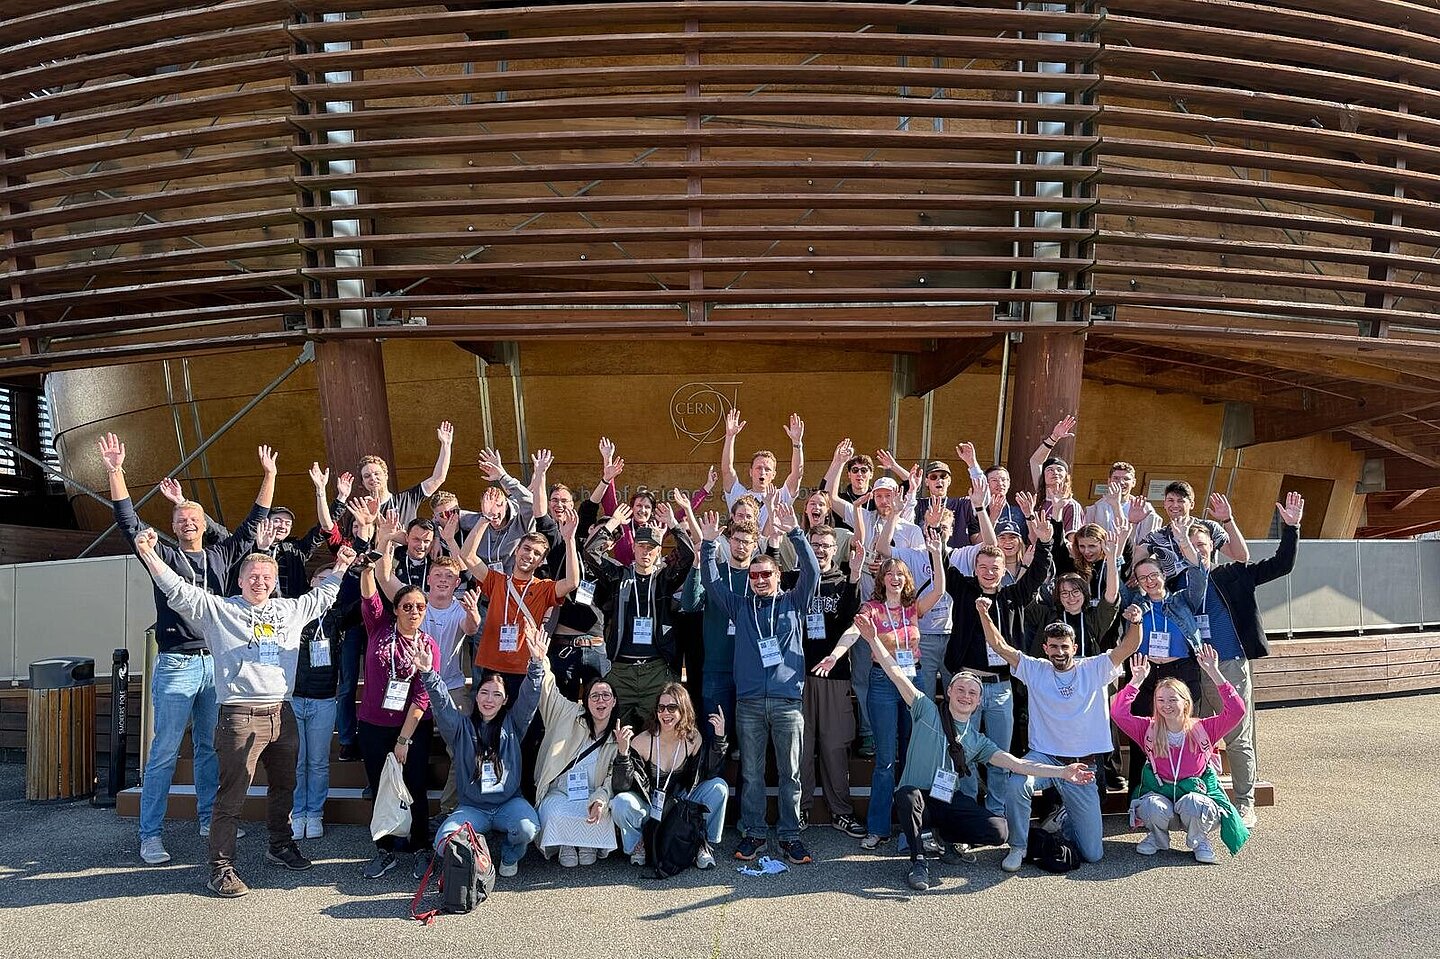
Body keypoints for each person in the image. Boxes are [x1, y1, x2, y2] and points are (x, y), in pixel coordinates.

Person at [132, 529, 355, 898]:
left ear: (274, 582)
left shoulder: (287, 610)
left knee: (284, 786)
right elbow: (179, 591)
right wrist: (150, 556)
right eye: (252, 576)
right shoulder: (221, 611)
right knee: (232, 794)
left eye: (266, 577)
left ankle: (280, 845)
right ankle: (220, 869)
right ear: (239, 580)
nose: (259, 582)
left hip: (281, 711)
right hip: (239, 714)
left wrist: (343, 566)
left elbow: (323, 596)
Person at [98, 432, 272, 867]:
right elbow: (128, 522)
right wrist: (116, 471)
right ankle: (150, 834)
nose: (187, 523)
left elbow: (254, 523)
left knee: (211, 748)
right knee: (164, 751)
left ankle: (207, 819)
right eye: (180, 519)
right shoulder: (164, 557)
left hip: (216, 665)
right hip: (176, 664)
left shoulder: (221, 557)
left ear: (204, 523)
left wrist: (269, 475)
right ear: (173, 527)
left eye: (193, 518)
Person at [860, 623, 1095, 891]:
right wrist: (873, 640)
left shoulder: (977, 740)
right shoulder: (926, 710)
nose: (966, 696)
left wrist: (1062, 772)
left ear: (979, 701)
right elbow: (895, 673)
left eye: (972, 693)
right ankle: (919, 862)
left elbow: (1017, 764)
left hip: (946, 799)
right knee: (907, 794)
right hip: (917, 800)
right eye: (960, 689)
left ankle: (947, 840)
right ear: (949, 691)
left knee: (998, 831)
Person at [977, 597, 1144, 872]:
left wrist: (1136, 622)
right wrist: (983, 612)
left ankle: (1066, 817)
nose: (1059, 652)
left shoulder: (1094, 667)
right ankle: (1018, 846)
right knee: (1017, 783)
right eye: (1053, 646)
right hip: (1044, 758)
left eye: (1064, 646)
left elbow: (1128, 646)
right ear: (1045, 648)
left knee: (1093, 854)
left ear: (1074, 648)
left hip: (1081, 766)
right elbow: (999, 645)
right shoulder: (1035, 668)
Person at [699, 501, 818, 865]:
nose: (760, 580)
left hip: (787, 702)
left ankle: (790, 835)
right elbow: (711, 583)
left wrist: (795, 533)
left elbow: (812, 571)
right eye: (754, 576)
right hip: (749, 702)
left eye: (766, 574)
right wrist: (708, 545)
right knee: (751, 773)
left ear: (778, 575)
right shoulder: (740, 606)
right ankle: (754, 833)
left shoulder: (794, 602)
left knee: (790, 774)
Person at [819, 533, 946, 849]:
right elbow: (852, 632)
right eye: (889, 574)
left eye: (900, 574)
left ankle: (910, 828)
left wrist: (936, 554)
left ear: (906, 579)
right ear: (882, 579)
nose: (895, 578)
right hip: (883, 683)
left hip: (913, 683)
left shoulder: (912, 608)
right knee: (886, 760)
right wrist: (835, 655)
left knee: (911, 756)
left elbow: (940, 590)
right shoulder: (872, 608)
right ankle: (878, 828)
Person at [1187, 491, 1304, 829]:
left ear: (1213, 547)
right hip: (1193, 668)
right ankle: (1200, 797)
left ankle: (1245, 801)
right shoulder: (1178, 582)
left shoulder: (1234, 574)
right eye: (1190, 546)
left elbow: (1281, 564)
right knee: (1196, 735)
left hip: (1230, 666)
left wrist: (1291, 528)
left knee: (1238, 735)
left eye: (1202, 544)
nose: (1197, 550)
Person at [942, 492, 1054, 815]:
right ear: (975, 569)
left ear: (1004, 569)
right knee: (963, 751)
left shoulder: (1012, 596)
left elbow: (1038, 573)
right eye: (983, 567)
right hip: (969, 684)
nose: (989, 572)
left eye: (995, 567)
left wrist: (1045, 543)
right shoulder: (964, 590)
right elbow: (943, 566)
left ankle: (996, 811)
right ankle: (967, 810)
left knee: (1000, 756)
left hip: (1002, 688)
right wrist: (938, 534)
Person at [418, 624, 544, 880]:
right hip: (472, 807)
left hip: (509, 803)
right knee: (443, 843)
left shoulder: (513, 724)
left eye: (496, 695)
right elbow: (442, 705)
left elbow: (530, 697)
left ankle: (509, 855)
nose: (489, 699)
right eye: (484, 693)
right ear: (476, 697)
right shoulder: (461, 728)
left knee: (527, 829)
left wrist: (536, 664)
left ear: (505, 700)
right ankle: (478, 857)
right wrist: (429, 673)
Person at [1112, 647, 1250, 863]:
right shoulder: (1148, 729)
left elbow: (1237, 711)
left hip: (1194, 801)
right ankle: (1158, 838)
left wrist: (1214, 673)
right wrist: (1136, 681)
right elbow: (1118, 713)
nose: (1166, 706)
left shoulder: (1203, 728)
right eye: (1160, 700)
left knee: (1194, 803)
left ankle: (1199, 840)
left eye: (1172, 700)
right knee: (1150, 806)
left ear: (1185, 702)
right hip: (1161, 797)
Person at [356, 546, 442, 881]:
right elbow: (369, 598)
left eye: (419, 607)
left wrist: (403, 740)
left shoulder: (428, 645)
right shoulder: (379, 628)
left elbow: (422, 696)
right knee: (381, 787)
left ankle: (420, 847)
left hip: (412, 728)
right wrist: (368, 569)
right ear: (396, 609)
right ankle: (385, 849)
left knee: (415, 786)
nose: (414, 611)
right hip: (373, 725)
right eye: (407, 606)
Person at [586, 495, 695, 730]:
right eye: (642, 546)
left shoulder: (664, 578)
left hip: (656, 670)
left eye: (651, 548)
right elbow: (591, 552)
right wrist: (613, 523)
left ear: (658, 551)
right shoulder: (618, 576)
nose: (646, 552)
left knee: (657, 732)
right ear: (634, 547)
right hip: (621, 671)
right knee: (615, 733)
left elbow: (688, 556)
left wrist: (674, 525)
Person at [610, 683, 729, 870]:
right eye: (661, 708)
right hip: (650, 804)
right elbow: (621, 786)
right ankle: (639, 844)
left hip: (680, 803)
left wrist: (719, 738)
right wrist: (623, 754)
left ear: (683, 710)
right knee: (621, 802)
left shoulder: (692, 738)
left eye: (672, 707)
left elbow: (710, 773)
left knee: (718, 787)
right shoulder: (642, 741)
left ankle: (702, 841)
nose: (665, 713)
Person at [796, 523, 866, 838]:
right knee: (801, 747)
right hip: (798, 676)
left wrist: (855, 575)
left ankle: (841, 812)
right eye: (816, 544)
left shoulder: (843, 582)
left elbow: (852, 619)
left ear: (835, 549)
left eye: (826, 545)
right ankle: (800, 809)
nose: (821, 550)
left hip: (834, 675)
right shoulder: (796, 579)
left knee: (834, 747)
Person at [533, 648, 619, 867]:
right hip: (560, 792)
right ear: (586, 701)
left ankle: (587, 843)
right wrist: (540, 660)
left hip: (591, 794)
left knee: (602, 812)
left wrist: (600, 799)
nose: (600, 700)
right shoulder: (569, 714)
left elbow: (612, 778)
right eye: (594, 696)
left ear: (614, 702)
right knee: (554, 811)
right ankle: (566, 844)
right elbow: (549, 691)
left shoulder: (616, 737)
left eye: (606, 696)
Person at [290, 565, 346, 842]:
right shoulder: (294, 612)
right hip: (293, 697)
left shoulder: (336, 616)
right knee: (297, 761)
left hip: (323, 699)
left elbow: (366, 606)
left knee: (318, 762)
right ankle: (296, 813)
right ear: (312, 582)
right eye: (321, 580)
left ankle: (314, 814)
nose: (325, 585)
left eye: (331, 581)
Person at [1139, 484, 1248, 579]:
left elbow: (1241, 557)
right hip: (1174, 594)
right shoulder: (1156, 536)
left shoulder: (1209, 527)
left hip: (1207, 588)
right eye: (1170, 500)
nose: (1175, 505)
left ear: (1192, 504)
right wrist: (1133, 523)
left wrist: (1227, 520)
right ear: (1165, 504)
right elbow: (1136, 562)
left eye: (1181, 501)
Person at [720, 408, 804, 523]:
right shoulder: (739, 495)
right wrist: (730, 437)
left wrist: (797, 443)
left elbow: (797, 474)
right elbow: (727, 470)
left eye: (767, 469)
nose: (762, 472)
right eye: (758, 468)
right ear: (751, 472)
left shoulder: (780, 496)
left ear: (773, 475)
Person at [1027, 415, 1084, 536]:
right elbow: (1035, 461)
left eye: (1059, 470)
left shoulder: (1070, 505)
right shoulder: (1041, 497)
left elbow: (1072, 540)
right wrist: (1054, 437)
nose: (1055, 472)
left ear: (1066, 477)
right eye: (1050, 469)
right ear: (1043, 476)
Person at [1084, 462, 1160, 545]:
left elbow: (1148, 542)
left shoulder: (1145, 508)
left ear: (1133, 482)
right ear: (1109, 481)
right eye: (1116, 478)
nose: (1121, 482)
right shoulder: (1094, 509)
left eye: (1126, 479)